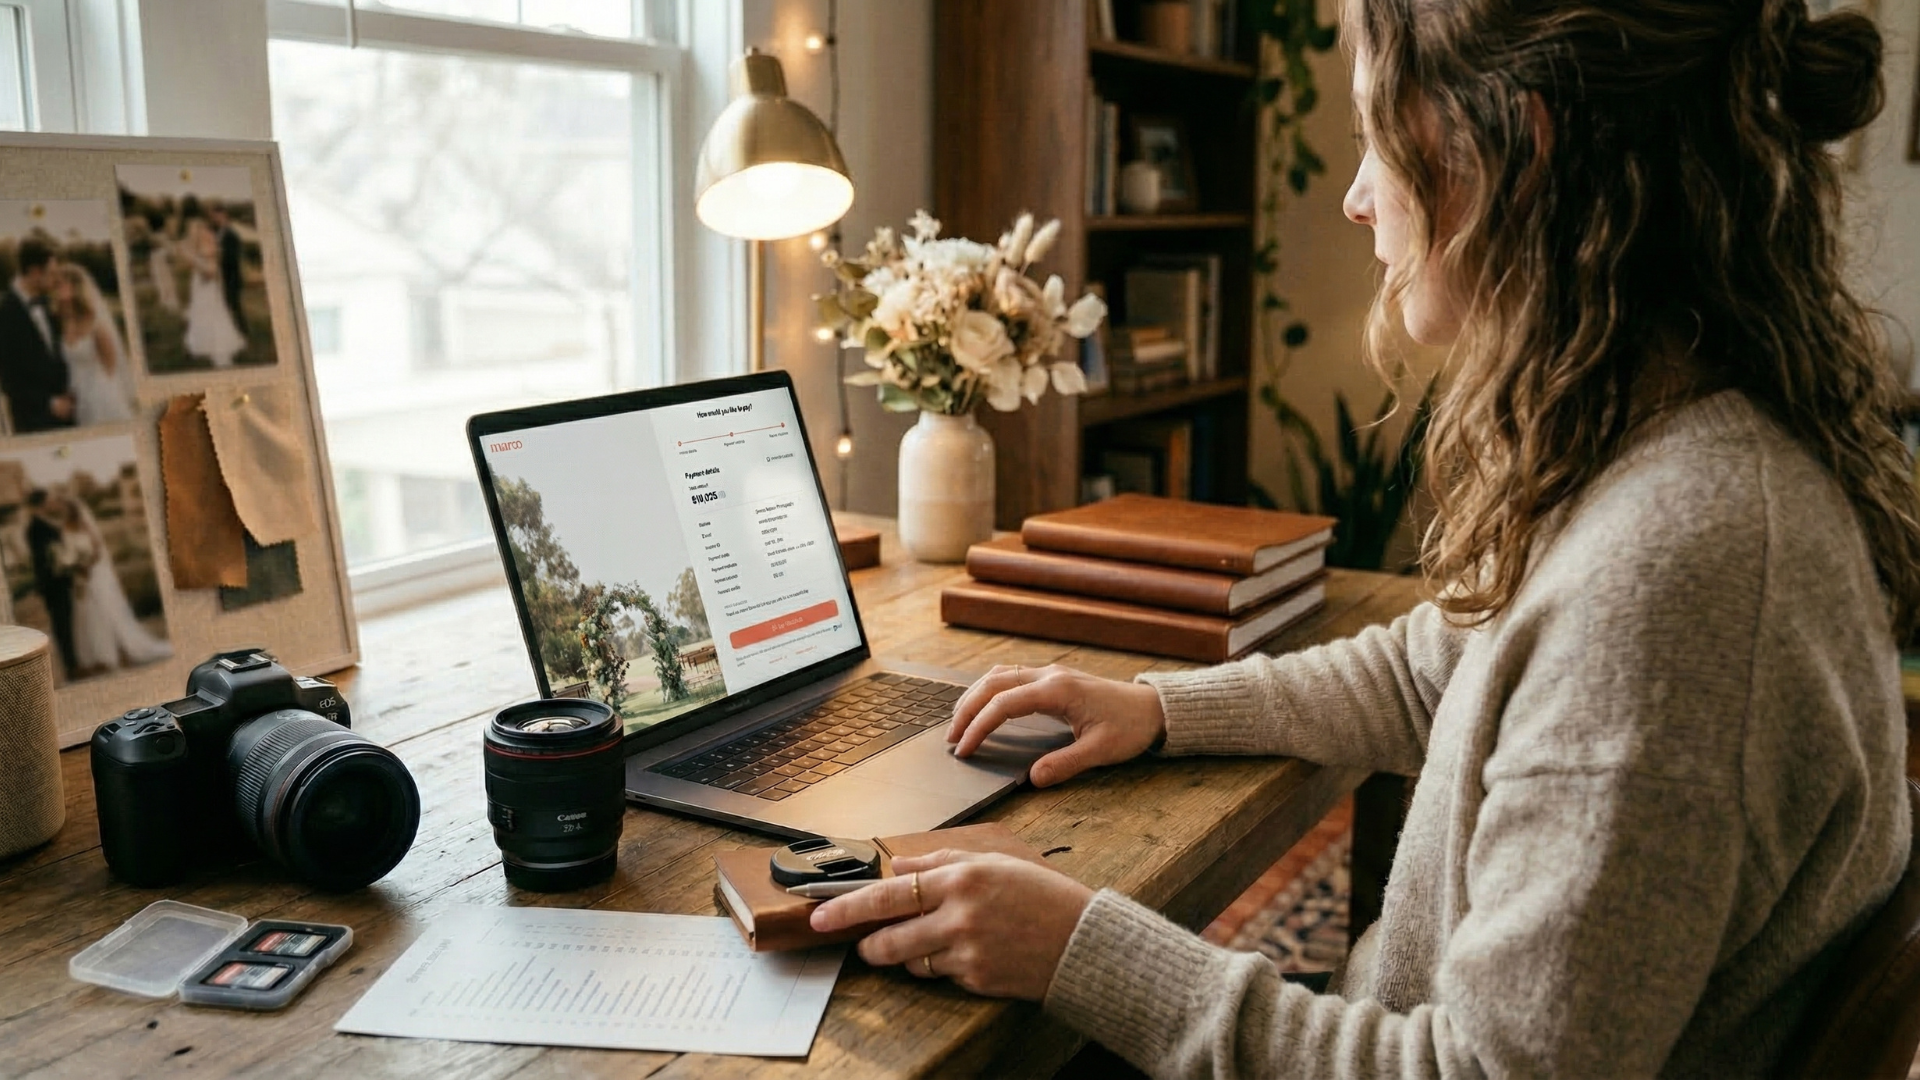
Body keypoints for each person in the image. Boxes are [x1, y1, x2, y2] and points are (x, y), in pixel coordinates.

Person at [809, 1, 1917, 1076]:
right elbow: (1437, 666)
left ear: (1512, 153)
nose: (1352, 200)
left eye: (1371, 139)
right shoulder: (1658, 443)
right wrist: (1155, 710)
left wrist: (1079, 948)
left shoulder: (1678, 580)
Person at [59, 495, 170, 677]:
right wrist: (76, 566)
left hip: (94, 573)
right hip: (81, 576)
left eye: (65, 508)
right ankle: (99, 657)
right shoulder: (66, 528)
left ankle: (120, 652)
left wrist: (88, 565)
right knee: (89, 614)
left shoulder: (85, 525)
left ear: (72, 509)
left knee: (107, 610)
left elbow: (96, 548)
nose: (63, 512)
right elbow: (69, 552)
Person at [0, 238, 76, 433]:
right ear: (35, 272)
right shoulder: (5, 313)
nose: (56, 279)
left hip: (68, 417)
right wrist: (49, 403)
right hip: (34, 422)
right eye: (51, 273)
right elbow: (7, 380)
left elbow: (57, 355)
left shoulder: (46, 303)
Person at [50, 263, 135, 425]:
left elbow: (111, 364)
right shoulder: (61, 322)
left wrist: (101, 391)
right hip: (77, 396)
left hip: (101, 395)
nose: (57, 288)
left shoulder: (95, 322)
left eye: (62, 283)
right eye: (56, 285)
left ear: (76, 287)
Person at [23, 489, 76, 679]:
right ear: (42, 503)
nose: (50, 503)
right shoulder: (36, 528)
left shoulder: (41, 524)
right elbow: (44, 558)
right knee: (62, 624)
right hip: (54, 584)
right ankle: (71, 666)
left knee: (65, 622)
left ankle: (72, 662)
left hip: (58, 581)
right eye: (48, 500)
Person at [181, 216, 245, 368]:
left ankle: (217, 347)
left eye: (200, 229)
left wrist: (195, 261)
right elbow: (193, 263)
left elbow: (211, 270)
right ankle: (202, 342)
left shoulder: (209, 242)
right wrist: (192, 259)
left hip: (208, 284)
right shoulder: (196, 245)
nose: (201, 233)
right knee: (200, 312)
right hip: (198, 283)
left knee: (212, 312)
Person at [207, 203, 246, 337]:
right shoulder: (217, 232)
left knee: (234, 306)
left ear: (224, 215)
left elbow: (233, 257)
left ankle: (243, 331)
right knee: (225, 306)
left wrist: (219, 255)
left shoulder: (231, 234)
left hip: (231, 277)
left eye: (216, 216)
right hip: (221, 276)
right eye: (212, 217)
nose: (214, 219)